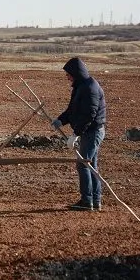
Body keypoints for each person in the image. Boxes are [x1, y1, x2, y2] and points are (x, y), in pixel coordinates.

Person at [51, 57, 106, 211]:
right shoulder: (81, 86)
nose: (67, 77)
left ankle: (87, 201)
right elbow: (72, 110)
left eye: (68, 74)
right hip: (89, 132)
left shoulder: (90, 88)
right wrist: (61, 120)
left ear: (76, 73)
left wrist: (76, 133)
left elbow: (89, 115)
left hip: (92, 132)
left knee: (83, 165)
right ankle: (95, 201)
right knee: (91, 165)